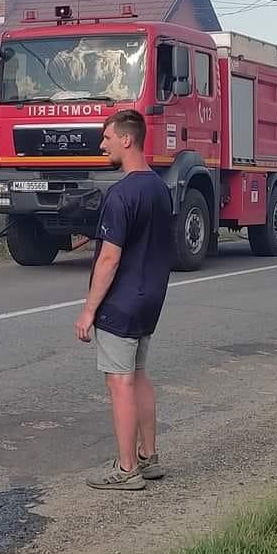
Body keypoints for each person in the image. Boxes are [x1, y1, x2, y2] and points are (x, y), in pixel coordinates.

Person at [73, 109, 174, 491]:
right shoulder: (159, 189)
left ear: (127, 140)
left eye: (107, 139)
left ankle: (126, 467)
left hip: (121, 302)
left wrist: (88, 310)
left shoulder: (121, 194)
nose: (103, 146)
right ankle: (149, 457)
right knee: (140, 376)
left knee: (120, 383)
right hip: (151, 299)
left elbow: (110, 258)